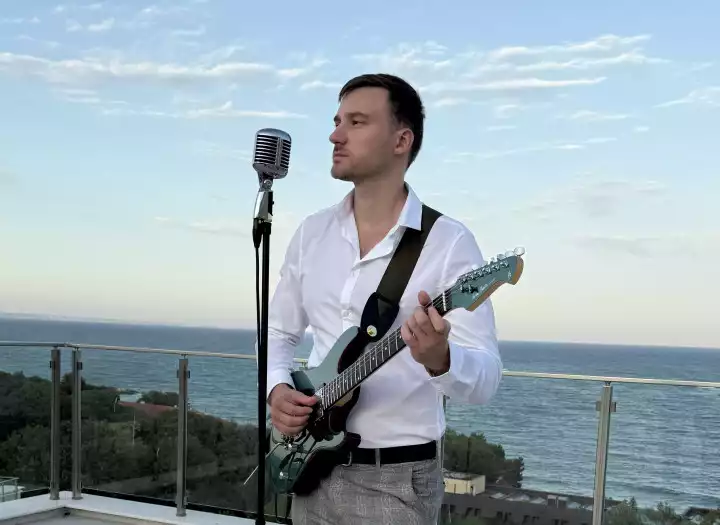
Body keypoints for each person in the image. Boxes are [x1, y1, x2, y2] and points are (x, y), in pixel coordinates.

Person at [264, 73, 502, 525]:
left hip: (396, 482)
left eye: (356, 122)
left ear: (401, 141)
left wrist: (441, 359)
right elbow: (279, 330)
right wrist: (278, 388)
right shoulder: (312, 233)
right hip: (312, 465)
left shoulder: (449, 243)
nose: (335, 136)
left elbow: (487, 379)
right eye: (337, 122)